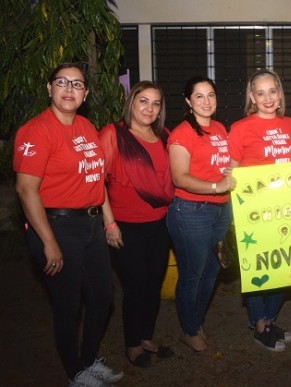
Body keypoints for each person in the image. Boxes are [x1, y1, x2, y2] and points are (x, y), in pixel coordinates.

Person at [13, 63, 123, 386]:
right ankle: (75, 372)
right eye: (62, 82)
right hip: (56, 226)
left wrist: (110, 221)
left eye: (77, 84)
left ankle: (88, 360)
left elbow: (96, 180)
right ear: (50, 88)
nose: (69, 89)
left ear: (85, 93)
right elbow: (25, 189)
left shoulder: (88, 128)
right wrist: (47, 241)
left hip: (90, 226)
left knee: (103, 297)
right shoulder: (37, 130)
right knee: (68, 304)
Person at [99, 81, 175, 368]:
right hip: (126, 225)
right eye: (143, 101)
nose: (149, 108)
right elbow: (97, 182)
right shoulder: (113, 134)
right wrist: (109, 224)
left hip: (160, 224)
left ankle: (145, 336)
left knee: (153, 284)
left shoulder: (164, 136)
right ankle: (132, 344)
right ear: (131, 102)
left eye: (156, 103)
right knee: (134, 285)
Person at [166, 76, 236, 353]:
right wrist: (217, 186)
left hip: (220, 210)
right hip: (191, 211)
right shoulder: (182, 133)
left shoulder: (219, 128)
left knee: (212, 270)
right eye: (199, 96)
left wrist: (230, 173)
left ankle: (194, 320)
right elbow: (180, 177)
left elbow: (220, 164)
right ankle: (189, 329)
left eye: (211, 95)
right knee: (193, 273)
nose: (206, 101)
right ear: (188, 101)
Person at [228, 69, 291, 352]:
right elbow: (231, 171)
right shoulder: (240, 127)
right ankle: (259, 326)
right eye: (261, 92)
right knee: (256, 269)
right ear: (252, 97)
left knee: (283, 268)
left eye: (272, 91)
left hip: (287, 210)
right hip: (254, 213)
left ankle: (268, 319)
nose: (267, 98)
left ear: (280, 93)